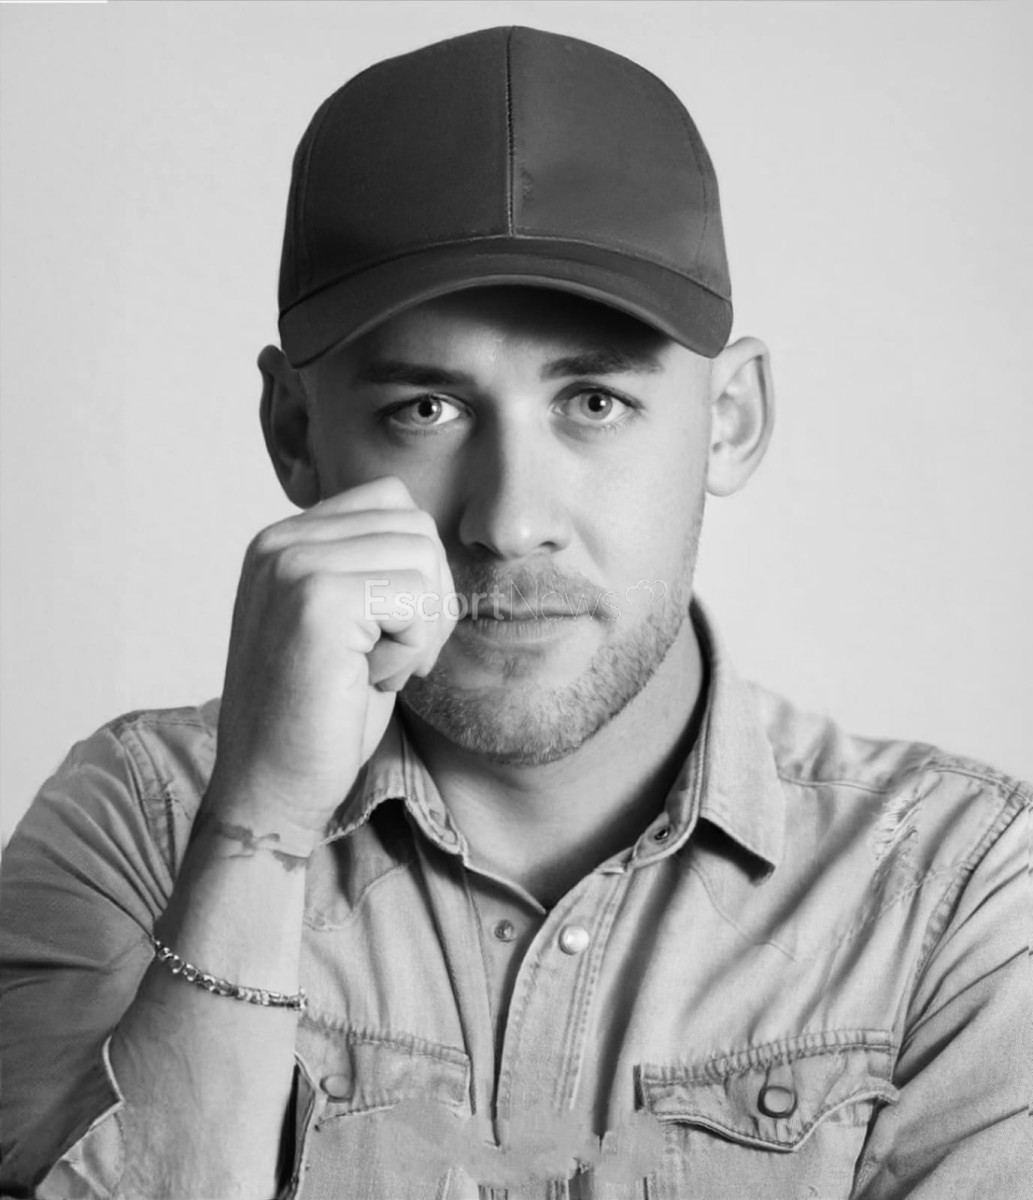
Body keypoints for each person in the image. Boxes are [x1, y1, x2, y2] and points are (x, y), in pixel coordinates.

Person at [0, 24, 1027, 1200]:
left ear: (731, 419)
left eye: (594, 402)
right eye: (425, 410)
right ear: (294, 432)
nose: (508, 521)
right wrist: (260, 827)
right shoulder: (138, 829)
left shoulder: (954, 888)